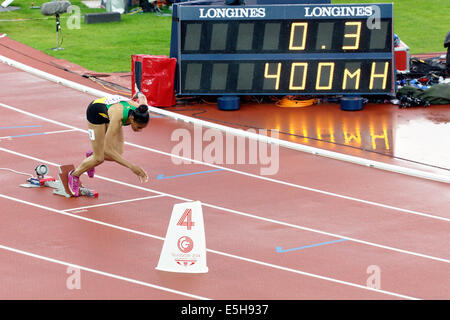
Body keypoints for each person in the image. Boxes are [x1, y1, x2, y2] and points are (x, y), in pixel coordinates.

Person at [68, 89, 150, 197]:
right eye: (138, 127)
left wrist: (138, 93)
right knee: (99, 158)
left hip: (109, 112)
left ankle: (92, 156)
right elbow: (107, 149)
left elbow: (142, 96)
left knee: (118, 153)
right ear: (132, 118)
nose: (139, 130)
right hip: (95, 114)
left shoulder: (142, 109)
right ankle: (74, 175)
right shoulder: (117, 119)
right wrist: (132, 167)